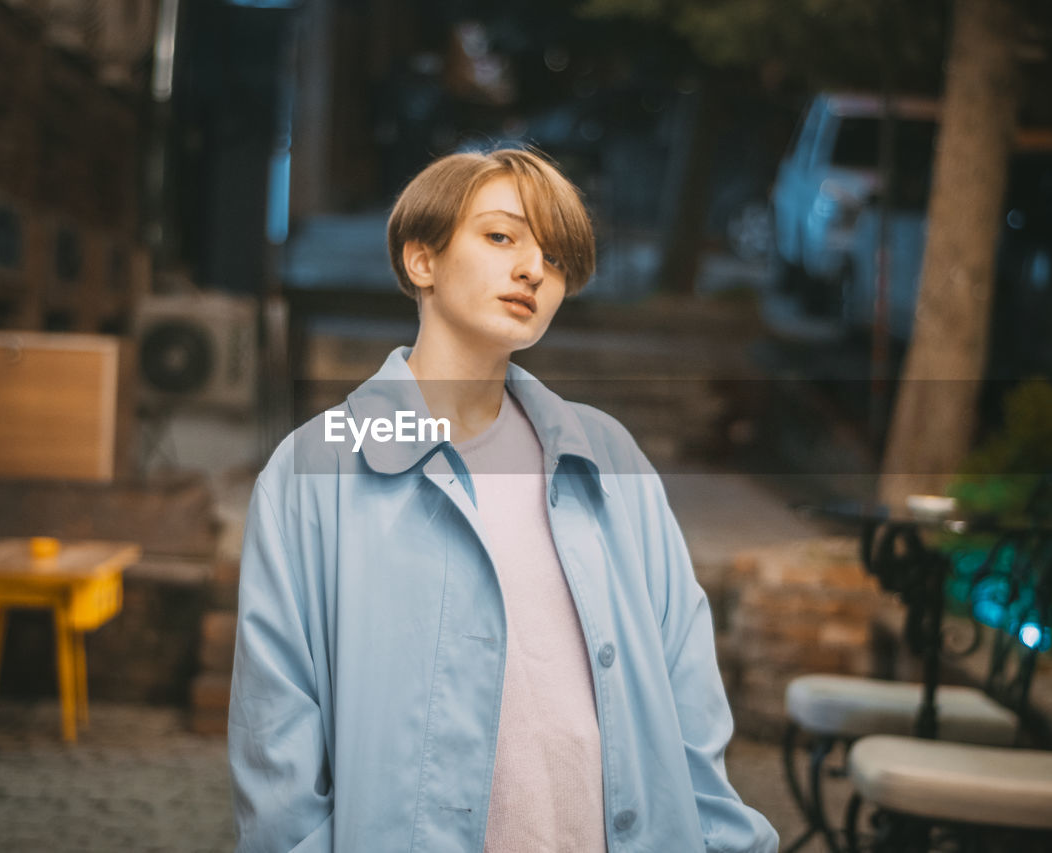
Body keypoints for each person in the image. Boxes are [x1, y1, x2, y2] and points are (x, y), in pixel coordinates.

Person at [229, 147, 778, 852]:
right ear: (421, 261)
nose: (532, 270)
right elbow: (276, 741)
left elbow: (688, 692)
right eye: (500, 237)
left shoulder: (607, 456)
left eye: (554, 258)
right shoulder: (317, 469)